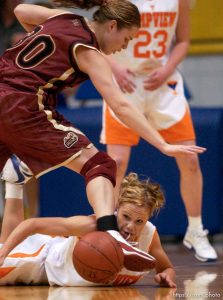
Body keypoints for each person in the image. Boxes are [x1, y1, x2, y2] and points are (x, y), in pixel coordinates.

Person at [0, 0, 206, 271]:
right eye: (126, 38)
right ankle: (111, 232)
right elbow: (121, 105)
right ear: (111, 26)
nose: (125, 46)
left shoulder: (63, 17)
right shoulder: (90, 53)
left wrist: (45, 35)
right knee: (99, 164)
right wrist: (162, 144)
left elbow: (21, 11)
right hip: (23, 106)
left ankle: (18, 176)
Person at [100, 0, 217, 262]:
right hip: (124, 81)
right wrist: (114, 68)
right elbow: (97, 37)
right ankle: (109, 233)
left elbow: (183, 41)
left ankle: (196, 230)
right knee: (116, 163)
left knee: (190, 159)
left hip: (162, 82)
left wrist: (166, 69)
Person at [0, 173, 176, 288]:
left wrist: (166, 277)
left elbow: (166, 268)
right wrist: (3, 254)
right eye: (126, 217)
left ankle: (14, 181)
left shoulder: (149, 235)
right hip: (43, 263)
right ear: (116, 208)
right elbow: (32, 225)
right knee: (4, 249)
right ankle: (15, 181)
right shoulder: (93, 225)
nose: (130, 226)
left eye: (139, 221)